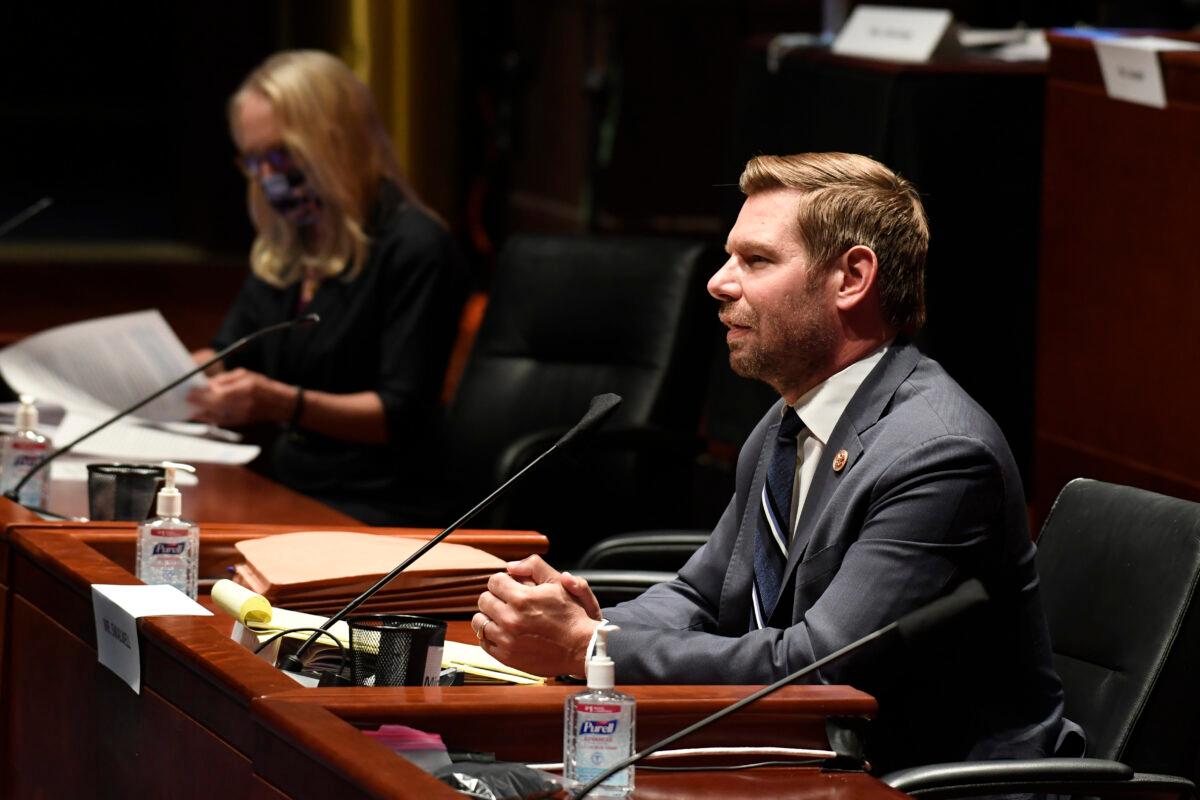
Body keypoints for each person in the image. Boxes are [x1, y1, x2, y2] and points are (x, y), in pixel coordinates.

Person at [473, 153, 1071, 772]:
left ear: (852, 278)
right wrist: (581, 619)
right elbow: (700, 596)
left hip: (914, 779)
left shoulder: (940, 455)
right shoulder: (791, 422)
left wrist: (588, 646)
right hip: (797, 750)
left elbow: (818, 664)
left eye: (755, 260)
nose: (719, 282)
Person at [188, 51, 468, 524]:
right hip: (290, 484)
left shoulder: (417, 246)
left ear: (336, 141)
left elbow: (396, 414)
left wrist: (281, 402)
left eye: (280, 155)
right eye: (254, 162)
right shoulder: (286, 248)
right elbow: (231, 354)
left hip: (379, 504)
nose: (269, 179)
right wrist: (172, 374)